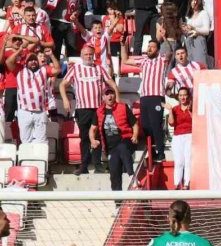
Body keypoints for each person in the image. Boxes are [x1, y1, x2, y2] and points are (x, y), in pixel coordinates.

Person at [60, 44, 120, 175]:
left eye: (90, 54)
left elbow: (112, 83)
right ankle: (84, 165)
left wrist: (118, 100)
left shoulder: (99, 69)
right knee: (84, 137)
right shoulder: (76, 69)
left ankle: (98, 165)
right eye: (86, 54)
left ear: (93, 56)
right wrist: (65, 99)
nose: (88, 56)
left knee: (98, 136)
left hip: (98, 108)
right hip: (83, 108)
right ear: (81, 56)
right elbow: (63, 84)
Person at [125, 40, 169, 163]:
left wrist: (165, 38)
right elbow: (125, 60)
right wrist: (123, 45)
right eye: (148, 46)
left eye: (152, 47)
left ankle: (161, 153)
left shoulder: (162, 60)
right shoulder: (143, 60)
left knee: (156, 124)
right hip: (144, 97)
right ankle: (151, 152)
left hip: (156, 96)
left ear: (158, 50)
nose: (149, 49)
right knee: (145, 126)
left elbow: (170, 53)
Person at [10, 48, 61, 144]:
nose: (33, 62)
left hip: (40, 111)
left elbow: (58, 70)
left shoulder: (44, 70)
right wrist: (18, 51)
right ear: (25, 62)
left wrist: (51, 55)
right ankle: (27, 159)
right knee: (25, 140)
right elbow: (9, 62)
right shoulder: (19, 70)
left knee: (41, 140)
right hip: (24, 111)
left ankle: (40, 159)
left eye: (34, 59)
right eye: (30, 60)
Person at [95, 86, 139, 190]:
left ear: (115, 95)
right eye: (107, 94)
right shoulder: (99, 112)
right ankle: (117, 203)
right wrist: (93, 140)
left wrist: (135, 135)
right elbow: (92, 129)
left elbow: (135, 124)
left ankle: (132, 176)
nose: (110, 96)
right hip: (112, 148)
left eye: (112, 93)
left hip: (126, 140)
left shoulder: (123, 107)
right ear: (103, 97)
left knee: (122, 147)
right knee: (114, 174)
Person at [168, 87, 193, 190]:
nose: (183, 97)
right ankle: (177, 183)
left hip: (190, 135)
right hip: (178, 136)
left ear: (188, 96)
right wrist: (170, 110)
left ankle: (186, 183)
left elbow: (196, 121)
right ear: (178, 97)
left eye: (184, 95)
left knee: (188, 160)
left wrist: (190, 110)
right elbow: (172, 123)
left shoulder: (192, 108)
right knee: (179, 161)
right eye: (180, 95)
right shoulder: (175, 109)